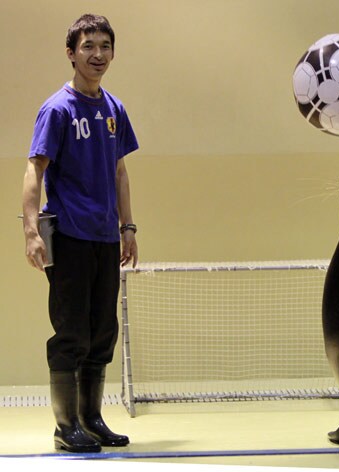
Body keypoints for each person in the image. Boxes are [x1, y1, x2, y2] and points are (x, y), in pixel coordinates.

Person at [22, 13, 139, 453]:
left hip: (106, 238)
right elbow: (35, 169)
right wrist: (32, 232)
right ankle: (64, 425)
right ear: (71, 53)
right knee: (71, 331)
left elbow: (120, 170)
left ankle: (92, 419)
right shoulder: (58, 109)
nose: (98, 54)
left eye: (105, 46)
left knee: (102, 331)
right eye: (88, 46)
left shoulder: (113, 109)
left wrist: (127, 226)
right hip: (68, 234)